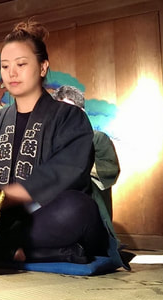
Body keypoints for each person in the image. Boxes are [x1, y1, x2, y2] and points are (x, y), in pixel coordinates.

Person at [0, 18, 127, 269]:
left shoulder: (70, 117)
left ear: (42, 67)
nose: (11, 73)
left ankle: (1, 248)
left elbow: (68, 172)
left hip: (45, 216)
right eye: (5, 66)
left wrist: (5, 196)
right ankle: (28, 251)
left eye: (21, 64)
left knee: (78, 208)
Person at [52, 85, 121, 219]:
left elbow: (109, 171)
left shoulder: (97, 139)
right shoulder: (50, 142)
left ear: (81, 112)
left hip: (90, 207)